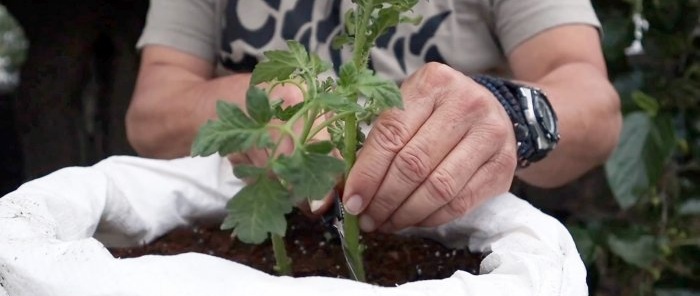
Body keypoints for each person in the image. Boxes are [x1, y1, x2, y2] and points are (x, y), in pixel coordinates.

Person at [126, 0, 621, 233]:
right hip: (251, 233)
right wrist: (261, 99)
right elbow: (151, 114)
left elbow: (594, 105)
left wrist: (507, 113)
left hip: (447, 234)